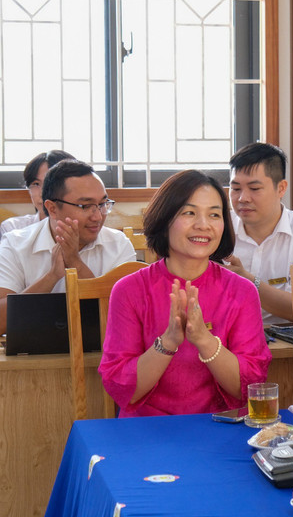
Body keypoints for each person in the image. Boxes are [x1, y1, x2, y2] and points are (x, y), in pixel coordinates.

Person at [99, 170, 271, 417]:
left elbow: (248, 387)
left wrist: (204, 340)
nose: (203, 225)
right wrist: (168, 342)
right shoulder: (128, 290)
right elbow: (122, 387)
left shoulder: (241, 291)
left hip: (220, 427)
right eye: (189, 213)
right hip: (147, 429)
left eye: (214, 214)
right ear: (165, 219)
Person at [0, 160, 135, 335]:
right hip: (30, 359)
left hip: (102, 357)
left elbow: (127, 320)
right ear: (52, 208)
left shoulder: (119, 244)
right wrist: (51, 277)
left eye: (102, 204)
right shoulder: (15, 244)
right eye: (85, 206)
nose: (97, 216)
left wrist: (75, 263)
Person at [225, 143, 293, 325]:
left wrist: (247, 280)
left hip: (287, 344)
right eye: (235, 189)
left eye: (254, 188)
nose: (243, 198)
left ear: (281, 188)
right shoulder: (219, 228)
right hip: (225, 341)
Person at [0, 150, 75, 240]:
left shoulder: (89, 227)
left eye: (52, 184)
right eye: (36, 184)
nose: (43, 193)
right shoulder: (13, 228)